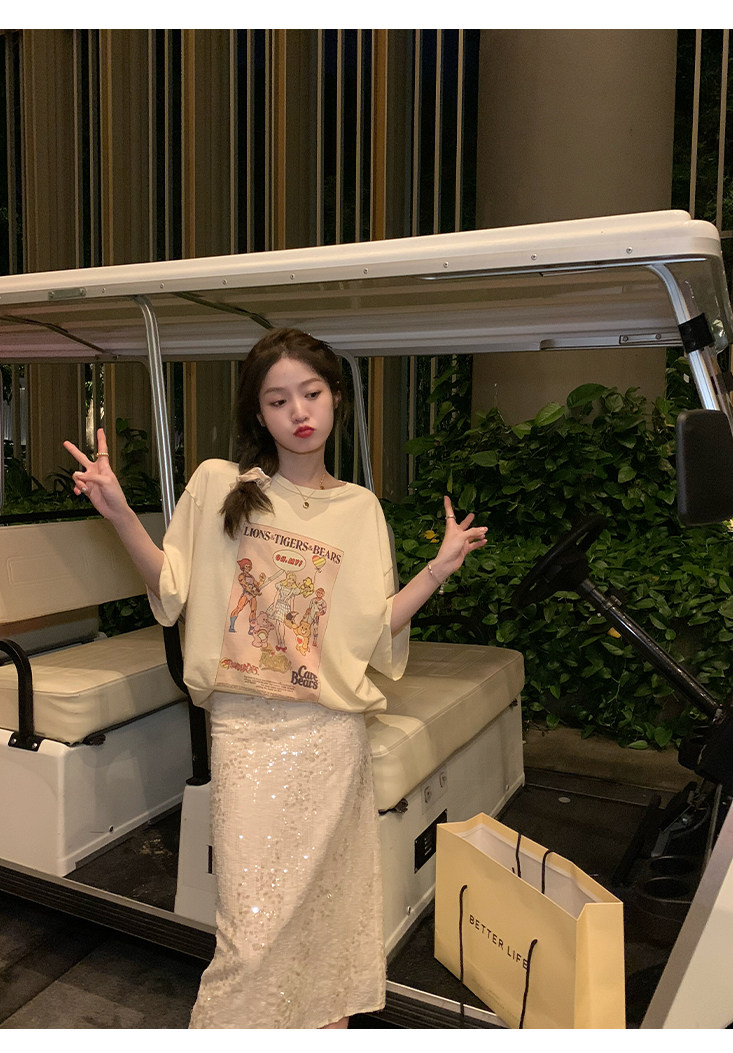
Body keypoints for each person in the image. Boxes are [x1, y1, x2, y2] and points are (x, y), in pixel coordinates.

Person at [63, 328, 488, 1029]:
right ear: (258, 414)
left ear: (336, 398)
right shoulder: (219, 485)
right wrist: (118, 512)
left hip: (330, 736)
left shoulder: (360, 509)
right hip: (246, 731)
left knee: (331, 911)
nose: (299, 411)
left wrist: (438, 569)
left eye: (311, 393)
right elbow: (170, 587)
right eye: (278, 399)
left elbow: (373, 629)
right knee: (251, 930)